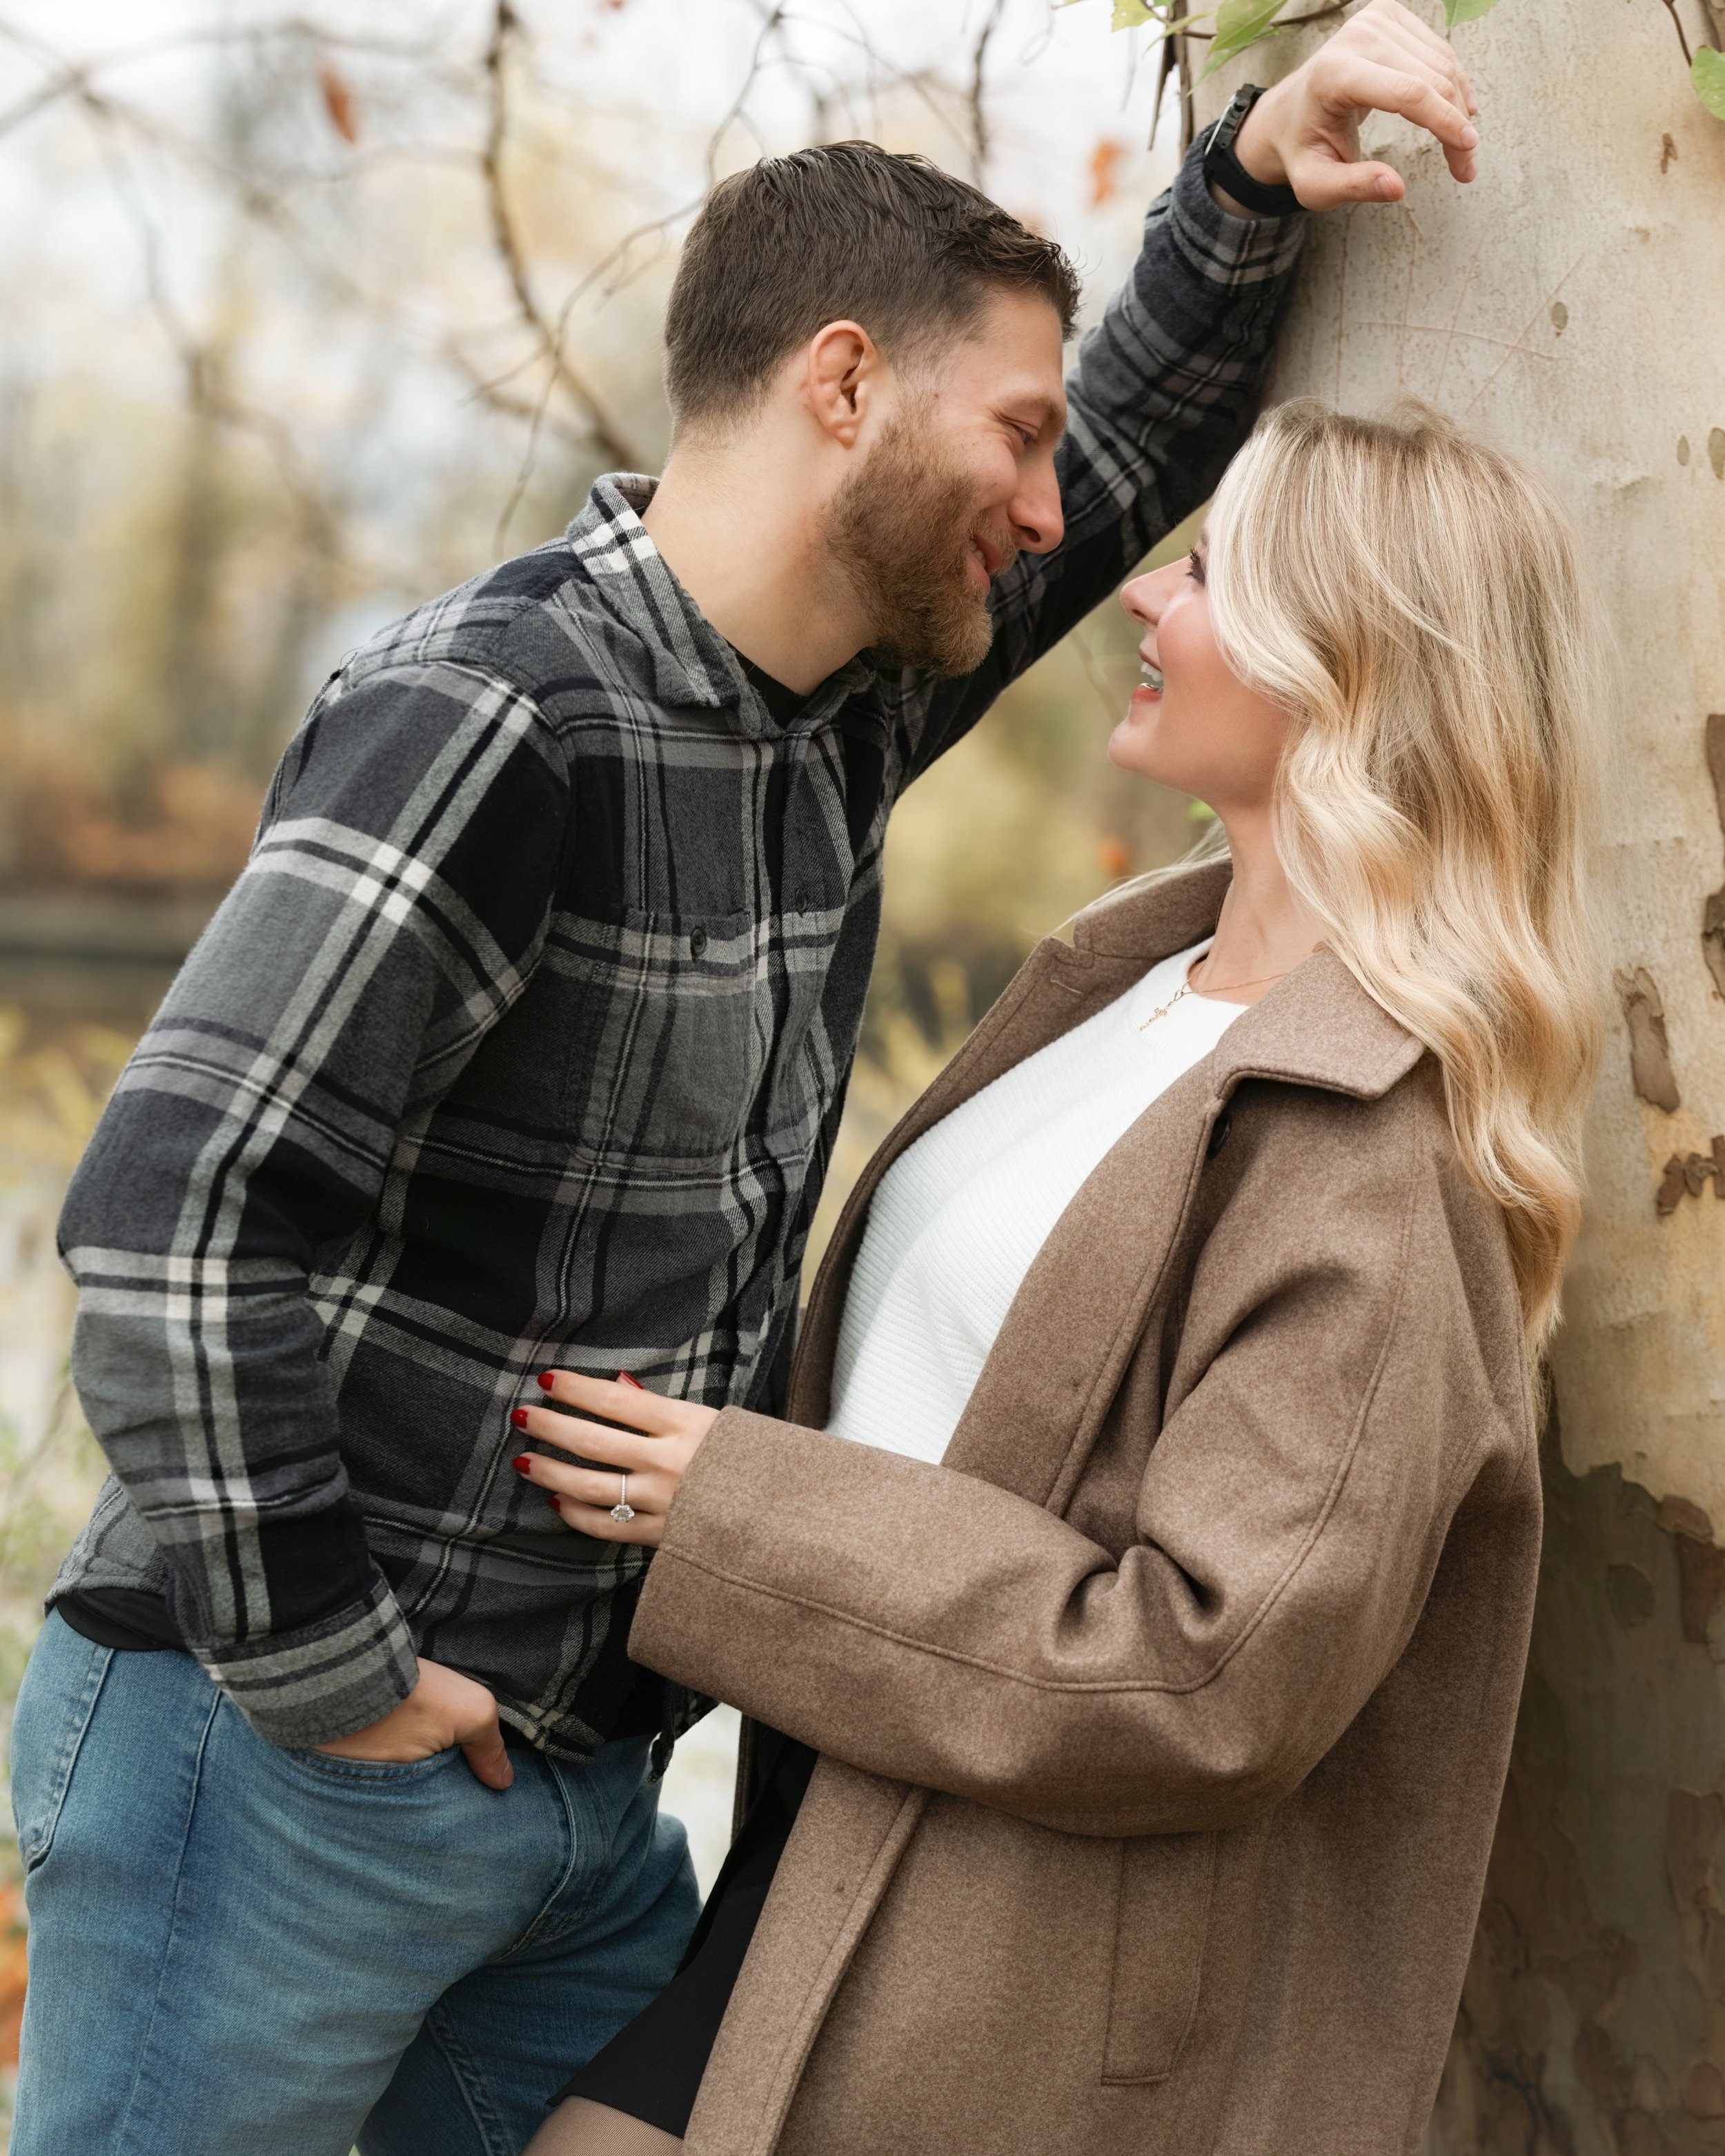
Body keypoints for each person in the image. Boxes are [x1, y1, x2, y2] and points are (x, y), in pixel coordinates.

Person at [8, 6, 1483, 2152]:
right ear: (842, 383)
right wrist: (330, 1670)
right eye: (1011, 432)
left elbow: (1133, 466)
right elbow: (172, 1210)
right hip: (286, 1761)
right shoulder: (494, 712)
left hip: (576, 1797)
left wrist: (1246, 175)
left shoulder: (828, 719)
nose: (1051, 508)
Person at [516, 399, 1604, 2156]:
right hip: (815, 1854)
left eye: (1209, 573)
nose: (1141, 599)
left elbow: (1198, 1676)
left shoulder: (1371, 1154)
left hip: (997, 1997)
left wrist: (735, 1508)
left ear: (1348, 664)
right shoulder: (1118, 987)